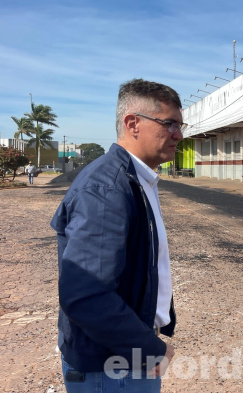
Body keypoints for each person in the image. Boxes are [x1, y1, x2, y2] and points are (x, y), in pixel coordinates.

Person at [50, 78, 186, 392]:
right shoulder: (107, 189)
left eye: (181, 125)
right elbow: (85, 296)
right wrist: (149, 348)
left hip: (120, 358)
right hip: (112, 367)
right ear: (132, 123)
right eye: (169, 124)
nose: (179, 135)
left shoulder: (135, 179)